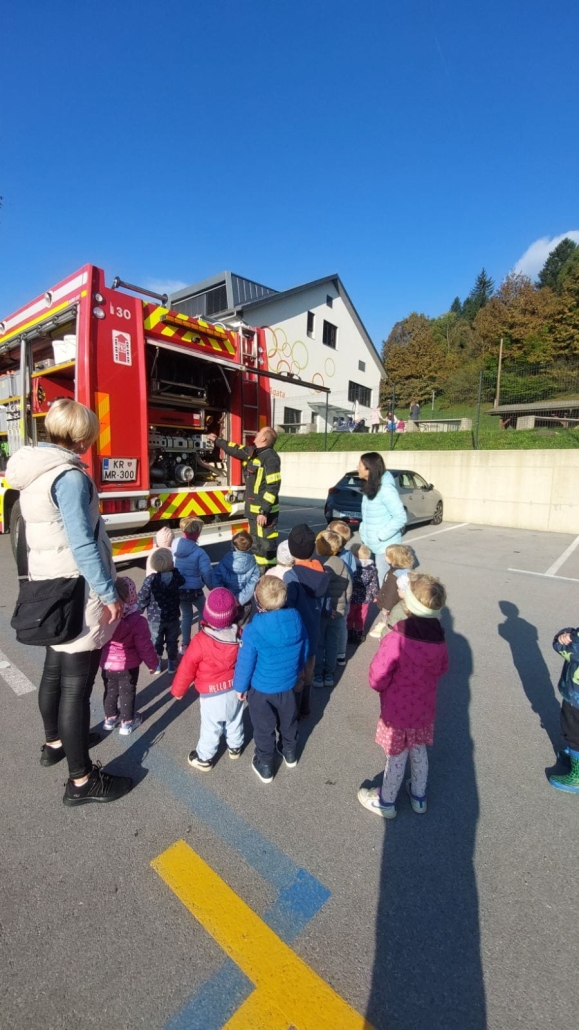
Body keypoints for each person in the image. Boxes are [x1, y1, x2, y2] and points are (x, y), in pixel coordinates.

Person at [6, 398, 132, 806]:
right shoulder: (71, 477)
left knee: (55, 672)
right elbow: (82, 543)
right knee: (77, 688)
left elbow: (21, 535)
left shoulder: (32, 473)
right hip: (78, 590)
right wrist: (109, 593)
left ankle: (55, 744)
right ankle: (81, 782)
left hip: (49, 587)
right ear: (81, 437)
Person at [358, 574, 448, 819]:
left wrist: (380, 686)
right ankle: (419, 796)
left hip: (397, 708)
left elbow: (379, 672)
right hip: (423, 708)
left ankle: (386, 801)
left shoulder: (397, 636)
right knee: (419, 751)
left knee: (396, 756)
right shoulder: (439, 636)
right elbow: (442, 668)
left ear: (408, 604)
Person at [233, 576, 308, 783]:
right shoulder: (296, 618)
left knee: (263, 727)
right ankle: (290, 751)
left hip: (261, 688)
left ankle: (265, 764)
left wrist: (240, 686)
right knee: (288, 719)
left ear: (258, 603)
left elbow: (246, 661)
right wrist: (299, 668)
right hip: (288, 683)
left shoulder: (253, 629)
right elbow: (305, 646)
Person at [170, 588, 244, 771]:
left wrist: (178, 690)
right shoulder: (239, 635)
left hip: (211, 694)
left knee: (211, 727)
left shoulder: (200, 640)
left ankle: (204, 757)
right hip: (235, 688)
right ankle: (235, 746)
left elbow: (187, 667)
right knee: (235, 718)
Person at [208, 427, 281, 571]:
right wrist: (217, 440)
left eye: (259, 433)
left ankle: (270, 573)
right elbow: (235, 449)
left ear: (264, 439)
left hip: (263, 512)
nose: (256, 433)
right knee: (255, 542)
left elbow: (273, 486)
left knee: (266, 543)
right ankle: (259, 571)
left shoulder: (271, 458)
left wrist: (263, 511)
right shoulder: (254, 452)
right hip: (254, 510)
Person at [100, 577, 159, 735]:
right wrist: (153, 664)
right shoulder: (137, 621)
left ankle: (110, 719)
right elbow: (145, 647)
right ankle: (127, 722)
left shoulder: (105, 616)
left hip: (107, 663)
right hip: (128, 665)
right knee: (127, 692)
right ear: (132, 596)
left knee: (110, 690)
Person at [284, 524, 331, 720]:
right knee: (309, 668)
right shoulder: (322, 572)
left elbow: (288, 607)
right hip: (313, 628)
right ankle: (306, 705)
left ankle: (294, 709)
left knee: (296, 671)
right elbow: (326, 604)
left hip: (296, 631)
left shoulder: (291, 575)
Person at [358, 452, 407, 586]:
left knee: (385, 585)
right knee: (373, 584)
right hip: (370, 544)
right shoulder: (371, 487)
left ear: (369, 468)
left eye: (360, 465)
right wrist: (364, 531)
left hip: (384, 547)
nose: (357, 468)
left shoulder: (386, 490)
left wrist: (380, 535)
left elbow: (400, 517)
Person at [313, 530, 352, 689]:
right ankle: (329, 674)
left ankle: (317, 674)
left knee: (319, 643)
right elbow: (348, 586)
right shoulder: (341, 563)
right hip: (339, 611)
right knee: (332, 643)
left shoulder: (316, 563)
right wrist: (343, 605)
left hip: (320, 612)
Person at [138, 548, 185, 673]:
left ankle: (157, 664)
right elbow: (183, 581)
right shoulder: (176, 577)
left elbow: (143, 597)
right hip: (173, 616)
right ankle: (171, 663)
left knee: (156, 640)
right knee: (172, 640)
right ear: (171, 563)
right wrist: (174, 569)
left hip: (155, 618)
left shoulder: (150, 580)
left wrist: (139, 610)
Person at [172, 516, 213, 653]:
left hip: (179, 589)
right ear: (198, 533)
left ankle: (185, 644)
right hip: (195, 590)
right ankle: (201, 639)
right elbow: (206, 573)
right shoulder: (200, 553)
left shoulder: (175, 546)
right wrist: (211, 587)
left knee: (186, 615)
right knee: (204, 611)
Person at [548, 625, 579, 793]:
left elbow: (565, 648)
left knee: (574, 732)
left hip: (576, 698)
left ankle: (577, 776)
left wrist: (563, 636)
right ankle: (574, 756)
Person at [368, 543, 416, 639]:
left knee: (390, 620)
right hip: (400, 604)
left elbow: (391, 593)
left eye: (386, 555)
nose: (385, 556)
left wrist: (386, 608)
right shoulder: (406, 571)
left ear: (393, 558)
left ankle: (385, 636)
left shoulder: (394, 575)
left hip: (391, 606)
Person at [213, 529, 260, 625]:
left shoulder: (225, 561)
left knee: (226, 626)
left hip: (225, 602)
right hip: (243, 603)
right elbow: (252, 585)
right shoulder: (253, 564)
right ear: (249, 547)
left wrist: (222, 596)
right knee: (241, 627)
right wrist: (239, 599)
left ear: (233, 546)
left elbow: (216, 577)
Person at [327, 520, 356, 666]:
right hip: (344, 597)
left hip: (329, 598)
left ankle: (327, 652)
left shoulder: (328, 557)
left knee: (327, 626)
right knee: (341, 625)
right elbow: (353, 573)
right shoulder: (348, 555)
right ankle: (341, 653)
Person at [347, 544, 379, 643]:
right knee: (361, 616)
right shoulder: (372, 569)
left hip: (352, 597)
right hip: (365, 597)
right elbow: (374, 583)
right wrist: (375, 594)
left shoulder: (352, 568)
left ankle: (348, 633)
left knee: (350, 615)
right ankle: (359, 634)